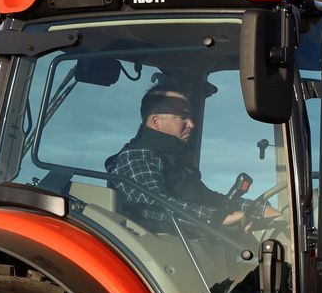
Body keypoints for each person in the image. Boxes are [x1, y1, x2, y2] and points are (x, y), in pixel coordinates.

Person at [105, 87, 246, 231]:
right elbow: (154, 205)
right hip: (154, 246)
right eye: (182, 116)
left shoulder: (178, 166)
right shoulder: (135, 157)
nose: (191, 124)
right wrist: (216, 217)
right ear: (156, 121)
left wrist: (255, 209)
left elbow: (210, 198)